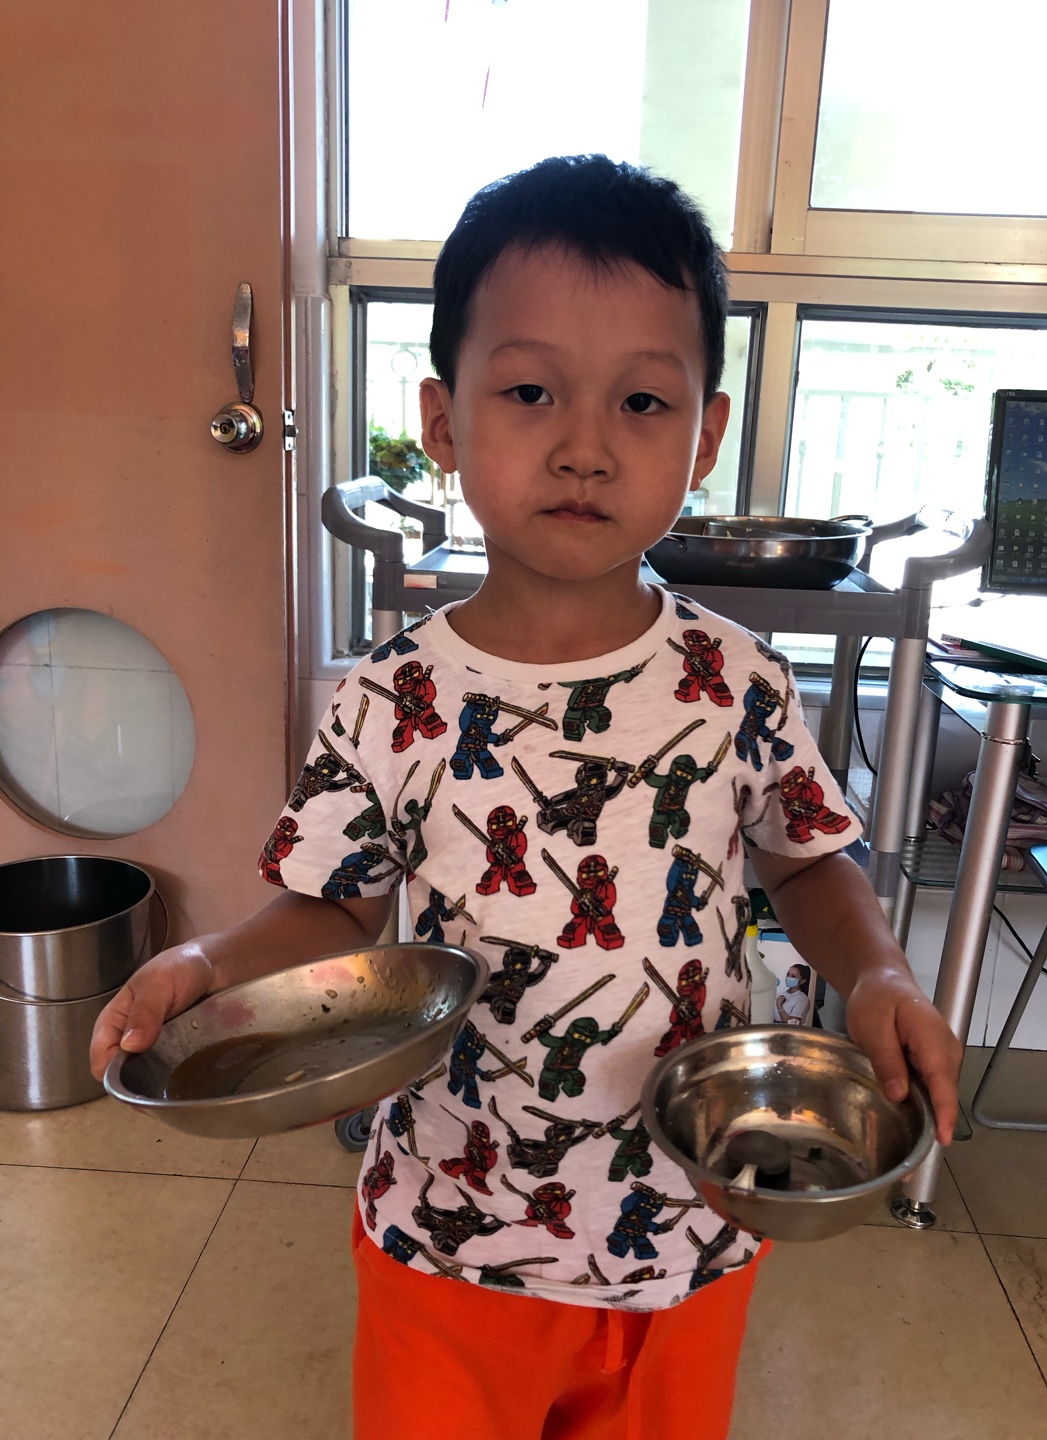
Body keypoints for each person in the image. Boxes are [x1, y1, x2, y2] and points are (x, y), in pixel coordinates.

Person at [91, 154, 962, 1440]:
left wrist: (878, 970)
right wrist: (210, 967)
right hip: (450, 1234)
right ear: (445, 423)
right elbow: (332, 913)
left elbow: (807, 857)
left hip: (684, 1231)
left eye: (643, 401)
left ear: (705, 438)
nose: (585, 447)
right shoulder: (392, 696)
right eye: (530, 390)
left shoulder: (738, 681)